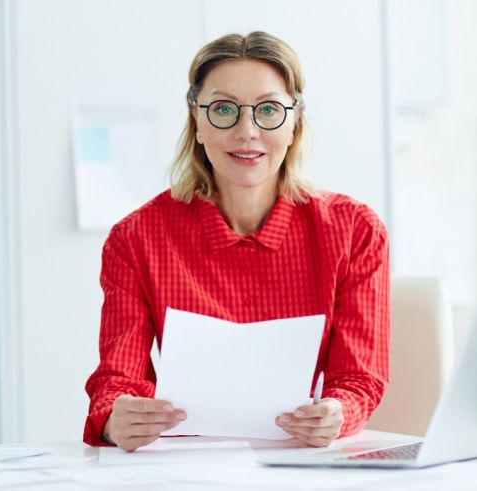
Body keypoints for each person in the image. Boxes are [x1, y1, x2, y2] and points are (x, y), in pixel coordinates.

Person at [83, 31, 390, 452]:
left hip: (301, 461)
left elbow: (359, 379)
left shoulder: (355, 230)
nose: (247, 131)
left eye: (268, 110)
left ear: (295, 122)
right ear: (197, 120)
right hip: (177, 467)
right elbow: (116, 380)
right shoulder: (135, 238)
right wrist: (117, 418)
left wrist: (338, 413)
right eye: (224, 109)